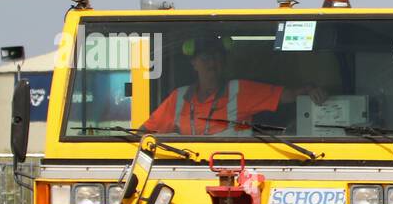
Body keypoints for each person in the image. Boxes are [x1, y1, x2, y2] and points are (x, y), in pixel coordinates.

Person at [140, 37, 326, 135]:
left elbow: (289, 95)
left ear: (224, 62)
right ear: (193, 64)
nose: (212, 63)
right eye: (205, 58)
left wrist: (310, 89)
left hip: (237, 168)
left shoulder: (240, 90)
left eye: (217, 57)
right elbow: (145, 133)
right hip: (190, 171)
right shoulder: (178, 97)